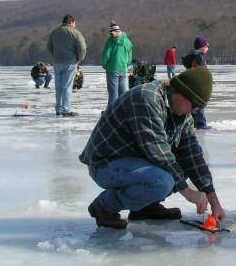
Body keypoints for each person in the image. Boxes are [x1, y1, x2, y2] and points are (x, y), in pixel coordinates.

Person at [79, 66, 226, 229]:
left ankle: (145, 206)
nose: (193, 111)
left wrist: (214, 201)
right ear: (182, 93)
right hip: (106, 164)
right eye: (194, 105)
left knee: (183, 166)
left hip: (136, 163)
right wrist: (188, 192)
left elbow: (192, 156)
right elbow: (158, 151)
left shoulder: (182, 114)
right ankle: (104, 206)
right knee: (163, 181)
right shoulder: (147, 99)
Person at [47, 15, 87, 117]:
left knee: (59, 87)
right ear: (72, 22)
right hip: (70, 62)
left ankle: (59, 108)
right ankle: (66, 109)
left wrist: (55, 55)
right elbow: (82, 47)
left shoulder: (55, 32)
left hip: (57, 62)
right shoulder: (75, 32)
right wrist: (79, 58)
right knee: (67, 86)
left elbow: (49, 46)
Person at [182, 36, 211, 130]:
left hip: (191, 83)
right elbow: (201, 71)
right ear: (201, 47)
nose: (207, 48)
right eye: (206, 46)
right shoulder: (199, 57)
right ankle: (201, 124)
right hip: (196, 84)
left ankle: (194, 123)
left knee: (194, 105)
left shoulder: (194, 56)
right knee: (199, 104)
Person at [101, 21, 133, 106]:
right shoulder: (127, 42)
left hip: (112, 68)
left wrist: (104, 64)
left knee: (113, 91)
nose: (111, 35)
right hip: (123, 68)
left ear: (117, 32)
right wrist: (126, 64)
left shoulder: (111, 41)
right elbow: (129, 56)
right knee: (122, 90)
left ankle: (112, 109)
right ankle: (123, 108)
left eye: (112, 33)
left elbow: (106, 54)